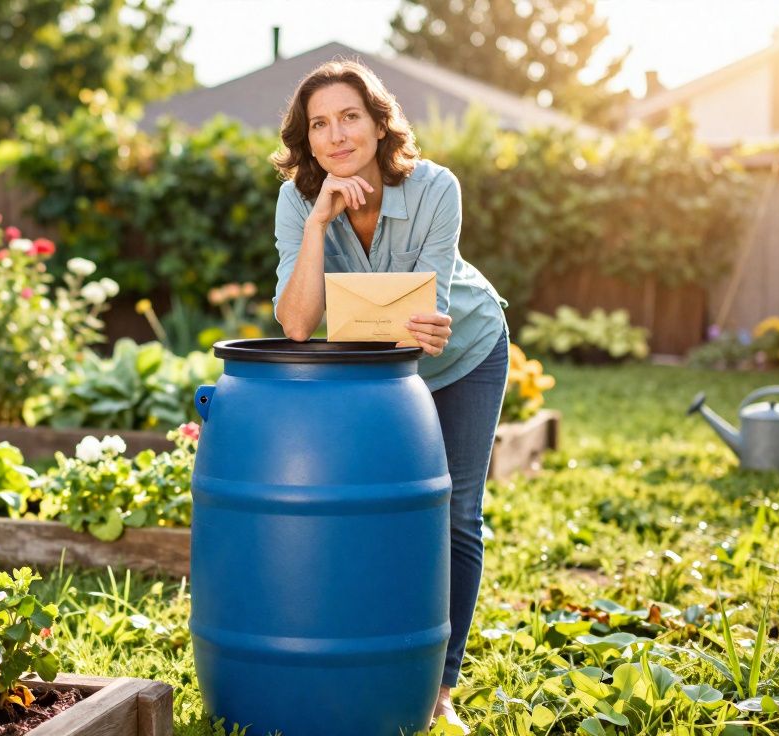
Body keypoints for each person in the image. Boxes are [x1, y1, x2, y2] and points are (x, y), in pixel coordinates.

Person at [270, 59, 509, 733]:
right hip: (374, 375)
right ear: (307, 138)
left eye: (350, 116)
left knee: (456, 512)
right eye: (319, 123)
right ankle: (369, 656)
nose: (336, 134)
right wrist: (317, 223)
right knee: (371, 513)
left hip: (461, 355)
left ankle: (440, 688)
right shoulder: (297, 201)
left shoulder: (434, 186)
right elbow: (296, 324)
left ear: (379, 124)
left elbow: (427, 315)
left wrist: (429, 323)